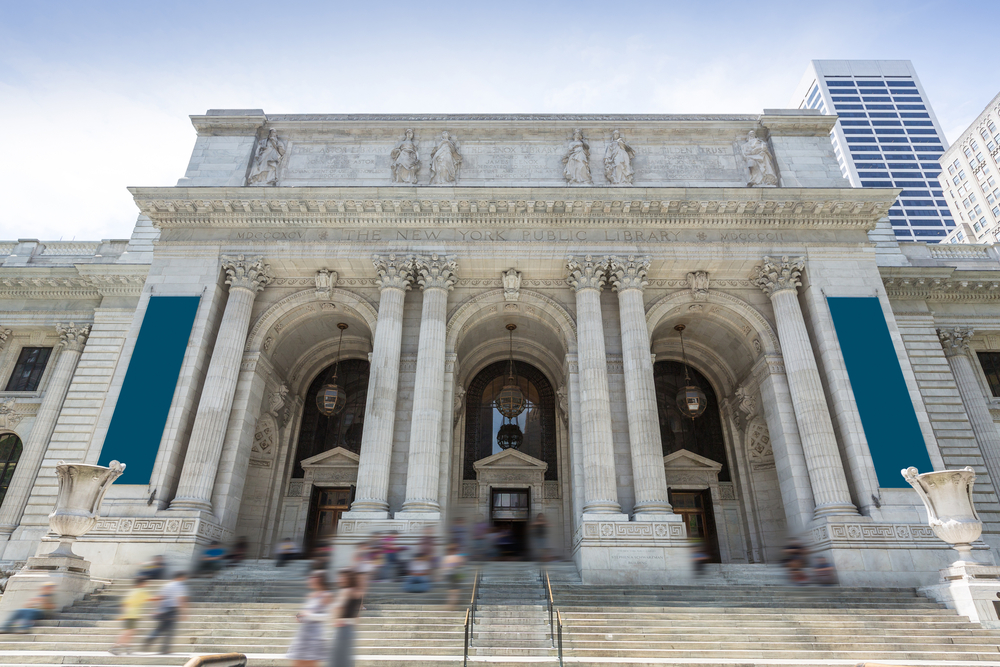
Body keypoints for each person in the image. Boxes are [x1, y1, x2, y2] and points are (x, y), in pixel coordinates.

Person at [286, 572, 331, 667]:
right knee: (296, 663)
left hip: (315, 635)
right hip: (303, 634)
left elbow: (328, 616)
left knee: (310, 663)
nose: (309, 580)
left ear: (319, 579)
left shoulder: (327, 595)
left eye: (312, 577)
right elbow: (306, 612)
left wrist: (309, 615)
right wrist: (300, 617)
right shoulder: (311, 595)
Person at [142, 571, 188, 655]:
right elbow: (181, 599)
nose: (185, 579)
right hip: (173, 610)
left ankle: (150, 638)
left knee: (160, 628)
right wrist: (184, 612)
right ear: (181, 577)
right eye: (184, 577)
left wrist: (157, 609)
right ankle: (164, 649)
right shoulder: (180, 586)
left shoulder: (167, 585)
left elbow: (161, 597)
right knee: (170, 631)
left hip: (164, 609)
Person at [328, 569, 363, 667]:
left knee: (336, 658)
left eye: (342, 576)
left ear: (348, 578)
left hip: (341, 627)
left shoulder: (345, 591)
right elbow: (357, 615)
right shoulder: (359, 592)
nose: (339, 579)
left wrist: (333, 619)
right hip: (350, 629)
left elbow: (338, 607)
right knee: (346, 658)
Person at [110, 577, 150, 655]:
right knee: (127, 632)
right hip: (133, 615)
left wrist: (124, 614)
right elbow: (150, 598)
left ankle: (127, 647)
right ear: (142, 583)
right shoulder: (141, 591)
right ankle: (115, 647)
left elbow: (124, 604)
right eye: (146, 583)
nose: (147, 584)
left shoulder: (133, 591)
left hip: (130, 615)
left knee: (131, 632)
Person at [441, 544, 465, 610]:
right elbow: (461, 565)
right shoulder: (458, 557)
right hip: (456, 574)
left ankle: (451, 603)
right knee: (456, 589)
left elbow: (443, 567)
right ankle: (454, 602)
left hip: (448, 574)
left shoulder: (446, 557)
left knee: (451, 589)